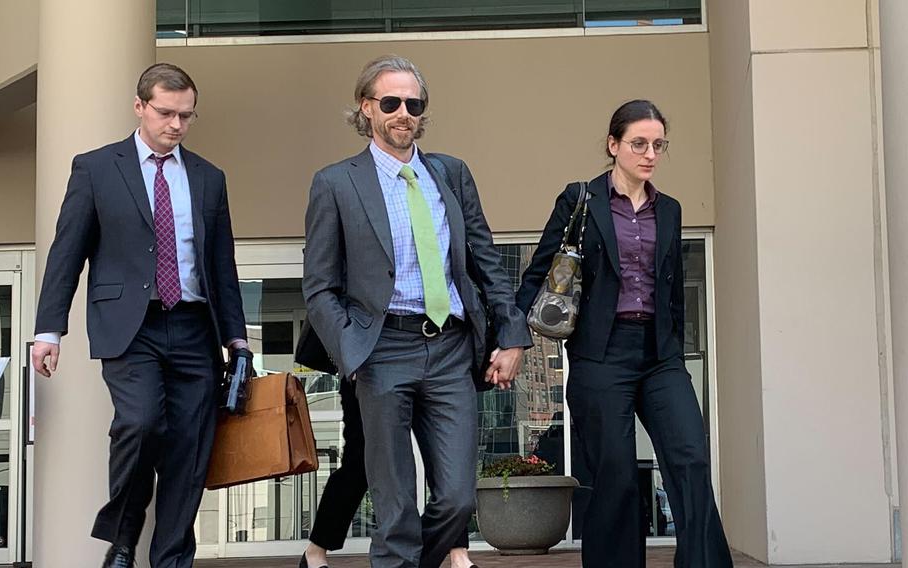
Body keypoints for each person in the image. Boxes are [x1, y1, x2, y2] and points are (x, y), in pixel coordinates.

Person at [302, 54, 532, 568]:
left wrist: (512, 334)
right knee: (397, 507)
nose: (404, 113)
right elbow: (318, 287)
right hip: (382, 350)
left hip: (450, 348)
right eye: (391, 102)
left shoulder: (449, 172)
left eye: (414, 103)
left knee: (457, 499)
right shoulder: (336, 183)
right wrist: (352, 351)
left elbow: (485, 257)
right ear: (367, 108)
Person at [31, 63, 248, 568]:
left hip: (196, 327)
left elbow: (222, 264)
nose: (176, 124)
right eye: (166, 113)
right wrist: (49, 330)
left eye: (186, 116)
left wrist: (237, 340)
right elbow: (68, 252)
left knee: (191, 450)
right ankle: (125, 534)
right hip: (131, 327)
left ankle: (172, 559)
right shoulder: (96, 168)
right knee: (142, 423)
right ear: (140, 106)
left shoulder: (209, 178)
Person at [515, 100, 732, 567]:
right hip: (601, 354)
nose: (649, 153)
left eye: (658, 145)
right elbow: (538, 274)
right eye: (638, 143)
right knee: (614, 475)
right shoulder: (581, 200)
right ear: (613, 145)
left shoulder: (669, 210)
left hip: (660, 355)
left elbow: (671, 287)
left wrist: (674, 343)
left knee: (691, 458)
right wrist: (512, 339)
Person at [298, 377, 477, 568]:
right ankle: (316, 550)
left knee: (446, 463)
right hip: (371, 373)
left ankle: (458, 554)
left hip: (430, 370)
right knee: (358, 464)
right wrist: (352, 360)